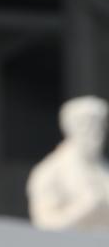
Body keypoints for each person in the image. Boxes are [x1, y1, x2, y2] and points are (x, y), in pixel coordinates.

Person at [27, 95, 109, 230]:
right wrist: (84, 209)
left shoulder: (104, 170)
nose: (95, 133)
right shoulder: (50, 171)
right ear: (70, 128)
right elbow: (44, 225)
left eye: (99, 126)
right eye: (86, 125)